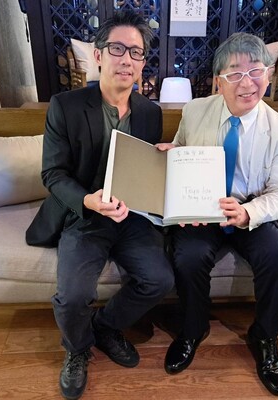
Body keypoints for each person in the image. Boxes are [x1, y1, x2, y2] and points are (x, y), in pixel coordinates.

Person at [25, 11, 174, 400]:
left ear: (143, 62)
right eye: (117, 49)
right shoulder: (66, 106)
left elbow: (142, 167)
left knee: (159, 280)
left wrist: (162, 159)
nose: (127, 59)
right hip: (85, 215)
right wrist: (88, 200)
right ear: (98, 55)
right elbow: (53, 173)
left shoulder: (150, 112)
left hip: (131, 217)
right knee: (73, 295)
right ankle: (77, 350)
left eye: (136, 52)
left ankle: (105, 327)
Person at [157, 32, 278, 396]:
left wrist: (249, 212)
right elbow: (183, 148)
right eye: (235, 73)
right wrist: (172, 154)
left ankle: (265, 337)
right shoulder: (195, 110)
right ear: (218, 81)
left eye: (256, 71)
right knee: (188, 256)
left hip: (251, 208)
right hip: (203, 210)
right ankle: (193, 329)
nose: (247, 83)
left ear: (269, 75)